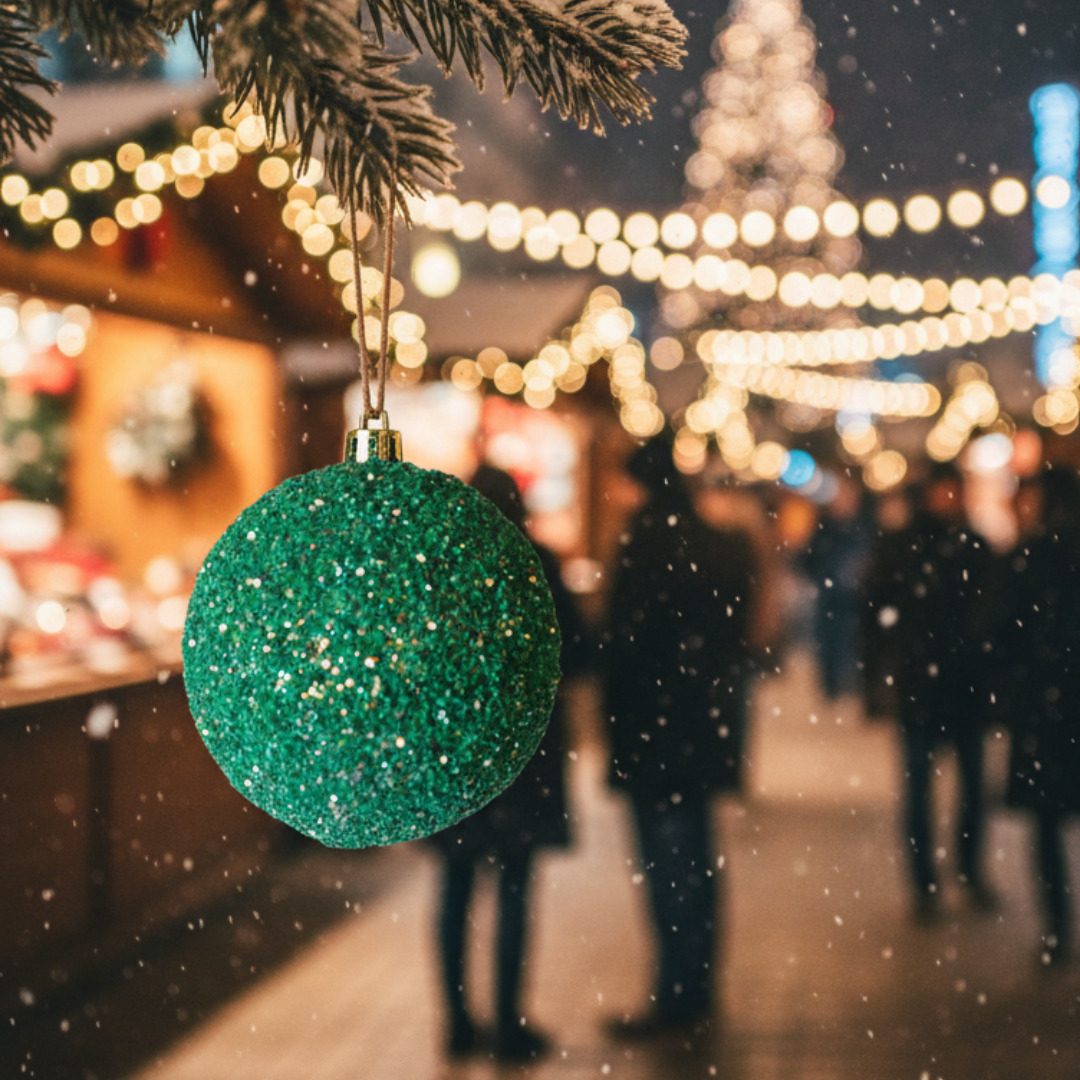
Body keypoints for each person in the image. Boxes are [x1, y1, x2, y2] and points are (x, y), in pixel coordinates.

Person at [429, 465, 589, 1062]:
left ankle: (457, 1021)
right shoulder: (535, 566)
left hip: (456, 760)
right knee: (515, 888)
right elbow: (578, 653)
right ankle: (509, 1024)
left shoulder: (441, 570)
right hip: (524, 758)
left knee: (455, 886)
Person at [601, 436, 757, 1035]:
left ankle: (676, 993)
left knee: (668, 866)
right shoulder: (714, 544)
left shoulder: (646, 545)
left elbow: (624, 646)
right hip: (700, 731)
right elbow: (733, 634)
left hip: (653, 736)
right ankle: (696, 983)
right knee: (696, 862)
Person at [863, 462, 996, 921]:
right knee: (921, 789)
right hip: (923, 685)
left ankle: (966, 869)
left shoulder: (972, 547)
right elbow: (875, 612)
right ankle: (926, 883)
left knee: (970, 789)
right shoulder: (906, 546)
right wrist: (878, 680)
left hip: (961, 686)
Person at [998, 468, 1080, 964]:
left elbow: (995, 631)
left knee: (1047, 825)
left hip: (1044, 710)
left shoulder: (1030, 557)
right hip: (1060, 702)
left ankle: (1057, 927)